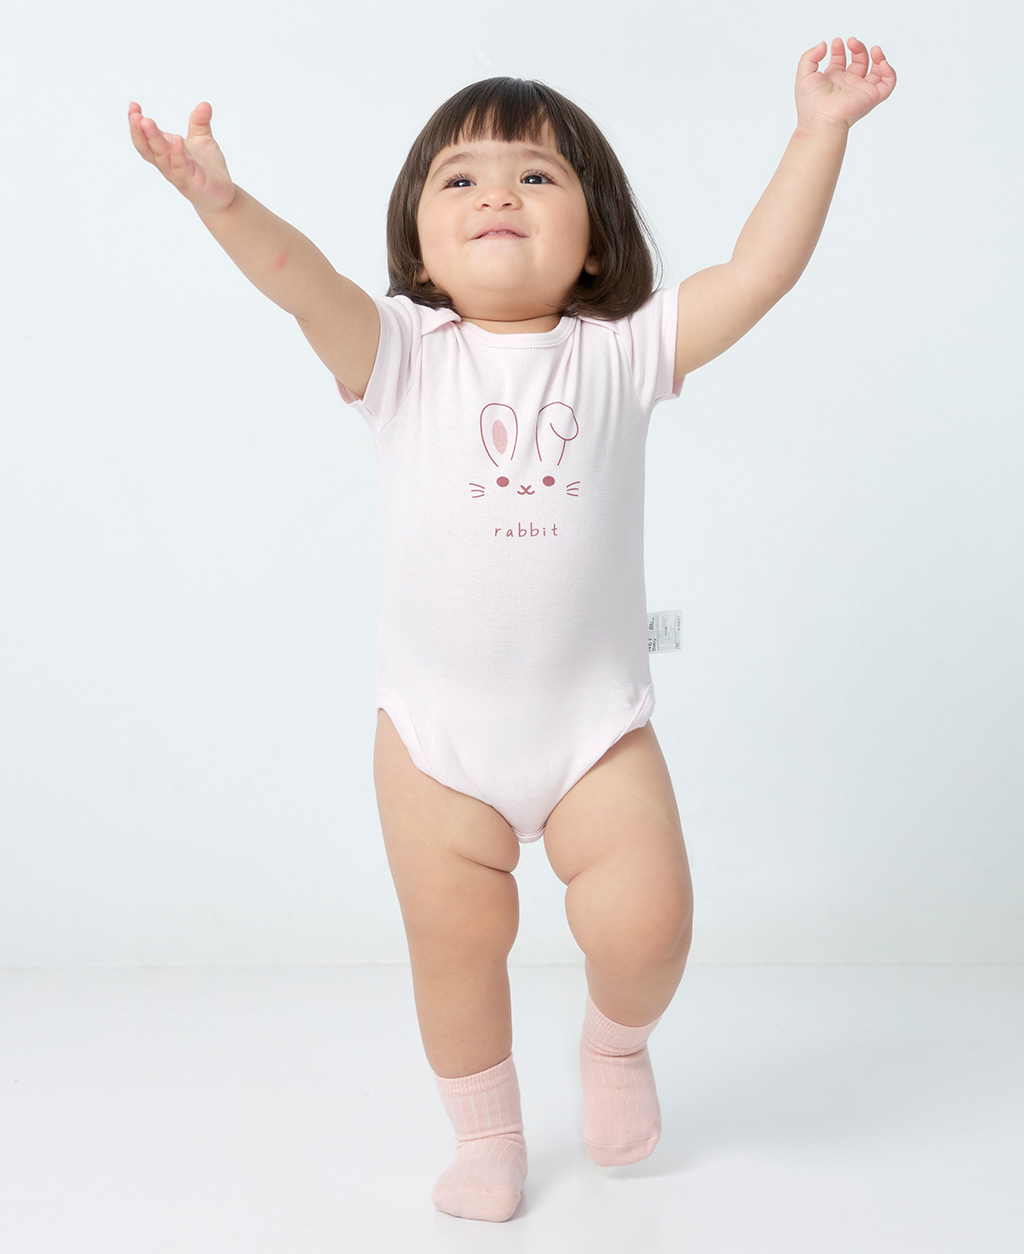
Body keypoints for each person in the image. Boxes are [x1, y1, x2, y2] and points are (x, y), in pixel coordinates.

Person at [128, 37, 896, 1224]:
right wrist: (223, 204)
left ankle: (615, 1045)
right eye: (462, 177)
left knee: (650, 923)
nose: (498, 192)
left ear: (594, 237)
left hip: (594, 732)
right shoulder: (397, 355)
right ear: (418, 241)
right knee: (455, 944)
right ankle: (486, 1134)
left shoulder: (623, 354)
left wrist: (818, 135)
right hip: (434, 742)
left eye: (537, 175)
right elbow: (300, 279)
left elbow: (758, 274)